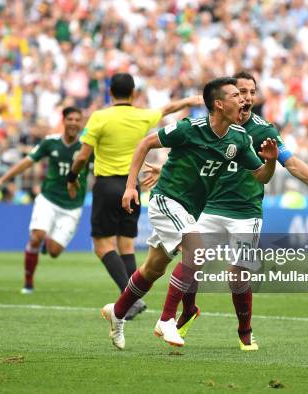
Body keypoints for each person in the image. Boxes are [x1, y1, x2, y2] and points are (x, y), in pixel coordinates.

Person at [145, 71, 308, 350]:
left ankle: (245, 330)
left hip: (246, 212)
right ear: (227, 97)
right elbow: (194, 155)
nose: (246, 97)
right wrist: (168, 170)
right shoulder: (211, 125)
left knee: (237, 275)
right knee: (191, 260)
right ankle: (186, 311)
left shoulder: (263, 131)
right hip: (209, 206)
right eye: (241, 92)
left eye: (251, 92)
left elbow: (291, 163)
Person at [100, 77, 279, 349]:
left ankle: (117, 312)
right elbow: (144, 144)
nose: (242, 99)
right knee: (196, 251)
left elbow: (261, 177)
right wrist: (129, 187)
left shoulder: (239, 138)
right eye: (235, 95)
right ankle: (166, 319)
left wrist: (272, 160)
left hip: (189, 210)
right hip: (167, 200)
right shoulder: (189, 128)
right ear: (219, 104)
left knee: (153, 268)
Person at [67, 73, 202, 320]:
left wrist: (72, 176)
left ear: (110, 93)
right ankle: (133, 298)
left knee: (102, 245)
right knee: (126, 245)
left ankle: (129, 299)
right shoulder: (142, 115)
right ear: (133, 94)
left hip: (106, 185)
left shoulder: (100, 117)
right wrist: (190, 100)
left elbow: (83, 155)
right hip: (133, 186)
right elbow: (167, 108)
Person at [0, 106, 90, 293]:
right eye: (70, 119)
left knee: (54, 251)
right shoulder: (50, 143)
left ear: (81, 123)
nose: (74, 123)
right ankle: (28, 282)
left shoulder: (87, 147)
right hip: (48, 199)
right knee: (36, 237)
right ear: (64, 121)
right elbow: (27, 161)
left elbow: (100, 171)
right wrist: (3, 179)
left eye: (78, 120)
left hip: (72, 206)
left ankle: (47, 240)